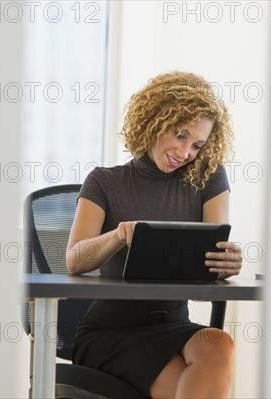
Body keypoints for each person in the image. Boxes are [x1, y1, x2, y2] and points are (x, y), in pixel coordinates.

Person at [66, 71, 243, 399]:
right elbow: (75, 261)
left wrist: (225, 264)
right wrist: (117, 235)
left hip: (174, 326)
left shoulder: (210, 180)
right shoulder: (104, 182)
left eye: (197, 145)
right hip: (111, 331)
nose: (185, 152)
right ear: (153, 122)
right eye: (179, 135)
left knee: (219, 344)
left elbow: (211, 266)